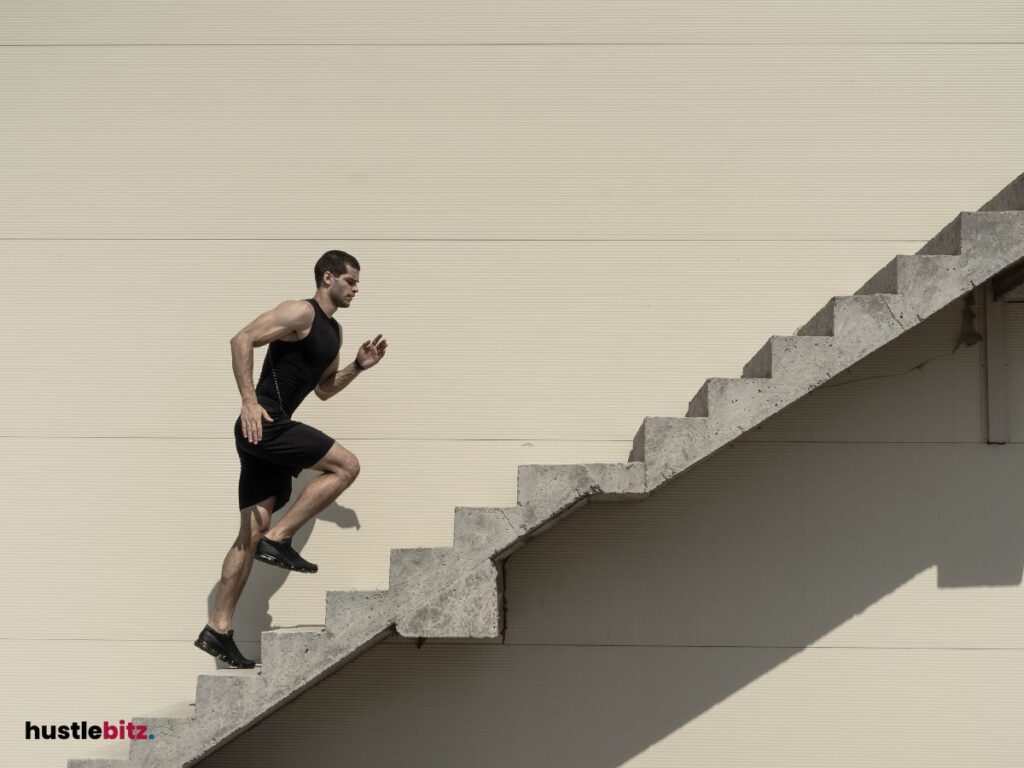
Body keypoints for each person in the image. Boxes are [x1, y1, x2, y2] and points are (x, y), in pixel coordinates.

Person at [194, 250, 387, 669]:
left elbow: (324, 389)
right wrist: (248, 401)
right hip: (265, 422)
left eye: (358, 284)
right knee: (346, 466)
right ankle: (280, 539)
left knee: (250, 532)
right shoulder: (301, 312)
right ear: (328, 276)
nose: (356, 289)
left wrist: (357, 365)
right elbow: (241, 338)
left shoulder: (333, 332)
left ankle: (218, 629)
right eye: (350, 281)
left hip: (265, 431)